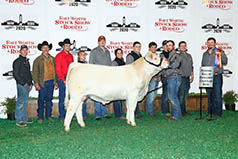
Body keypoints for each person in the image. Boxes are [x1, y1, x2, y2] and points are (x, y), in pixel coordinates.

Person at [201, 37, 228, 118]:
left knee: (217, 95)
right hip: (207, 77)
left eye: (211, 42)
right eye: (208, 42)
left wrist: (221, 55)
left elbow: (225, 62)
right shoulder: (205, 54)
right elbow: (203, 65)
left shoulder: (219, 51)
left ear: (215, 43)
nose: (210, 44)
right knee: (209, 95)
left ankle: (218, 113)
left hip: (216, 76)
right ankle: (210, 112)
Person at [32, 41, 58, 124]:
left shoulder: (53, 59)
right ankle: (40, 116)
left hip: (51, 81)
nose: (45, 49)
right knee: (41, 100)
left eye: (47, 47)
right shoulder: (38, 60)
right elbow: (35, 72)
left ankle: (48, 115)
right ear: (41, 49)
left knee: (49, 100)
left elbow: (56, 71)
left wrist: (56, 81)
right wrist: (36, 83)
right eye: (44, 48)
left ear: (49, 48)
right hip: (42, 83)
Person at [89, 35, 112, 120]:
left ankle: (105, 113)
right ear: (98, 42)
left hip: (106, 76)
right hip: (97, 76)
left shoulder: (107, 51)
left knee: (105, 94)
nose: (102, 42)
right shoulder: (94, 51)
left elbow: (109, 64)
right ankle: (97, 114)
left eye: (103, 41)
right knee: (97, 94)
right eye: (101, 41)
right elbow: (91, 63)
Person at [12, 45, 33, 127]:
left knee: (24, 102)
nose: (25, 51)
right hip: (22, 85)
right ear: (20, 51)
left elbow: (29, 73)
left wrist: (31, 83)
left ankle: (24, 118)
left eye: (26, 50)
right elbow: (15, 74)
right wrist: (23, 83)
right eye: (23, 50)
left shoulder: (27, 61)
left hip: (27, 84)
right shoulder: (17, 61)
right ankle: (19, 120)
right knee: (20, 102)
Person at [55, 38, 74, 122]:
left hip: (70, 78)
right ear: (63, 46)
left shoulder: (71, 56)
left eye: (69, 45)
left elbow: (73, 69)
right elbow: (58, 70)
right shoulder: (59, 56)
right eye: (66, 45)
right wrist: (63, 79)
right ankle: (62, 115)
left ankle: (69, 114)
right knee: (62, 97)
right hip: (62, 79)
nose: (68, 47)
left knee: (70, 98)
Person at [164, 40, 182, 120]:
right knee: (173, 97)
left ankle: (176, 116)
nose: (168, 47)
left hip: (174, 77)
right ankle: (175, 115)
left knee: (172, 97)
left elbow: (175, 65)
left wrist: (166, 63)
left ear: (173, 46)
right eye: (167, 45)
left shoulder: (177, 55)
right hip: (171, 77)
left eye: (170, 45)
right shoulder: (169, 55)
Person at [126, 41, 143, 118]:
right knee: (132, 95)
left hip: (138, 79)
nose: (138, 48)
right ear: (133, 47)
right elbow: (129, 67)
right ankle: (134, 113)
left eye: (139, 47)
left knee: (135, 95)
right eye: (137, 46)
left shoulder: (140, 56)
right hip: (132, 79)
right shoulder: (130, 56)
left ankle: (136, 112)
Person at [178, 41, 194, 116]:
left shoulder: (189, 56)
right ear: (179, 48)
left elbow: (192, 66)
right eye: (182, 46)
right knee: (181, 95)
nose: (183, 47)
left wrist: (192, 74)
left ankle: (184, 110)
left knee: (185, 95)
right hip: (181, 78)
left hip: (187, 77)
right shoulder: (178, 56)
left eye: (184, 46)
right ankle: (181, 111)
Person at [111, 48, 126, 119]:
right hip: (116, 82)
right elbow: (113, 74)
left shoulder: (123, 62)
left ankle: (120, 113)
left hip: (122, 82)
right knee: (116, 99)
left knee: (120, 98)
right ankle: (118, 114)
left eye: (121, 53)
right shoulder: (114, 63)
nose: (119, 54)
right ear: (116, 54)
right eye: (118, 53)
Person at [146, 42, 160, 116]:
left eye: (155, 47)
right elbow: (149, 69)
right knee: (151, 95)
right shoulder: (148, 57)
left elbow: (158, 67)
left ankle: (151, 111)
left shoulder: (156, 56)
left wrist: (159, 75)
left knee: (154, 95)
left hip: (157, 77)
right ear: (149, 48)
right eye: (152, 47)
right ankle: (150, 111)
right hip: (151, 78)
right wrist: (153, 76)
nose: (154, 49)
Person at [77, 50, 90, 120]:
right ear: (78, 56)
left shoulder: (87, 65)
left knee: (83, 101)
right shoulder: (77, 65)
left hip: (86, 84)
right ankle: (77, 116)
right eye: (82, 55)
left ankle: (84, 115)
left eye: (84, 55)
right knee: (78, 101)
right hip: (79, 85)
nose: (83, 56)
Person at [159, 40, 170, 116]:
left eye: (168, 45)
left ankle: (168, 110)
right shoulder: (161, 55)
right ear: (163, 46)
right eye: (166, 45)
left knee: (171, 93)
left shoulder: (172, 53)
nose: (167, 47)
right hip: (165, 75)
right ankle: (165, 110)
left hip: (172, 76)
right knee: (165, 94)